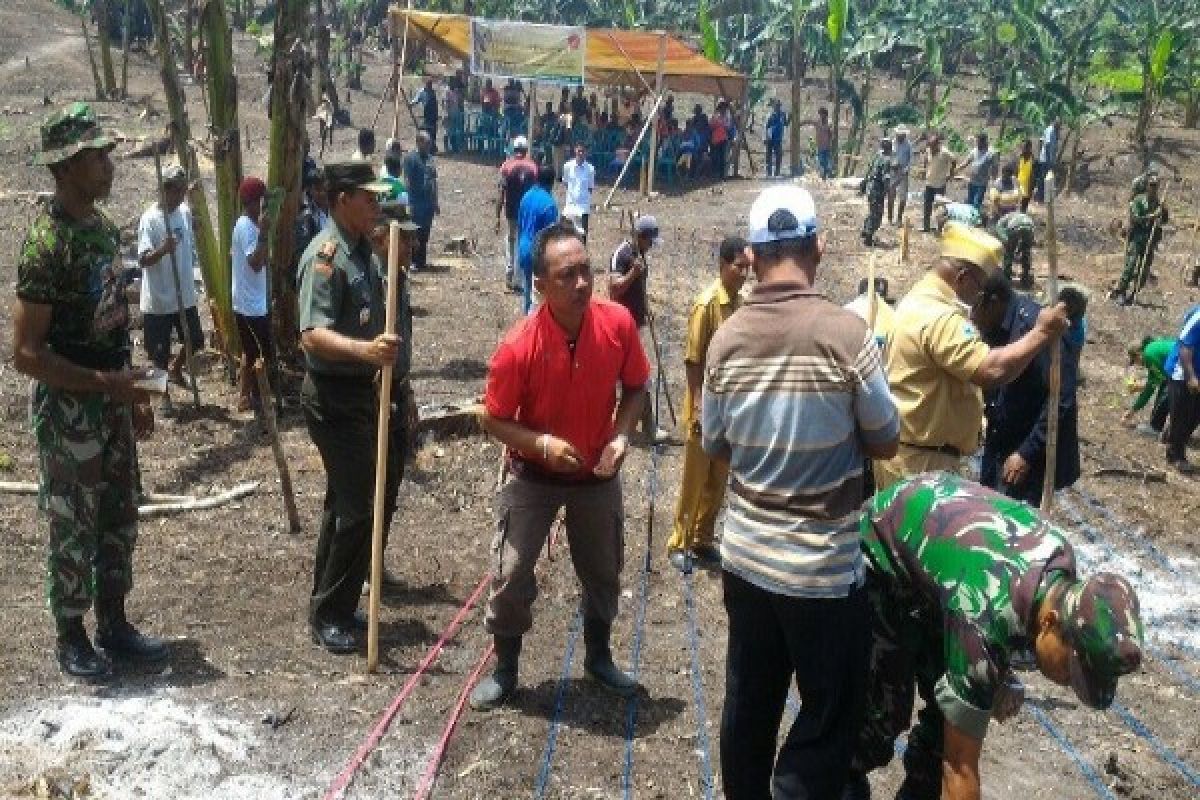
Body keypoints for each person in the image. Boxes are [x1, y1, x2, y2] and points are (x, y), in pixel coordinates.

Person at [702, 185, 900, 799]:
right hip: (821, 569)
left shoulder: (727, 340)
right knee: (829, 708)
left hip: (748, 557)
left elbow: (716, 443)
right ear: (819, 246)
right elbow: (886, 439)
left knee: (749, 697)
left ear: (753, 258)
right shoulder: (848, 334)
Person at [844, 472, 1144, 800]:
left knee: (944, 729)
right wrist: (989, 672)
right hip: (883, 555)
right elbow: (961, 769)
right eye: (1070, 671)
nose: (1065, 682)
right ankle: (834, 783)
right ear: (1051, 623)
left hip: (946, 579)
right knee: (881, 714)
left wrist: (1000, 673)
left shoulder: (1061, 572)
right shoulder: (987, 615)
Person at [13, 101, 167, 679]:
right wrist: (105, 384)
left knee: (119, 515)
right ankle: (71, 636)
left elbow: (111, 320)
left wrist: (134, 392)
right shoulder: (46, 245)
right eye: (96, 156)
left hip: (111, 402)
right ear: (64, 168)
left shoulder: (102, 230)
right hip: (71, 411)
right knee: (72, 522)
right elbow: (26, 353)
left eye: (107, 153)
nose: (109, 164)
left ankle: (115, 622)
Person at [469, 220, 650, 710]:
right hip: (533, 474)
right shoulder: (517, 347)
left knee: (604, 568)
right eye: (567, 276)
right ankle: (506, 668)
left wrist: (620, 436)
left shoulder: (616, 325)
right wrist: (542, 444)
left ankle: (598, 655)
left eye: (586, 271)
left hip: (596, 472)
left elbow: (636, 387)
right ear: (540, 285)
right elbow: (494, 419)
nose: (582, 284)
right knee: (510, 571)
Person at [296, 161, 413, 654]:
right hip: (333, 399)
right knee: (357, 509)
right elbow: (311, 334)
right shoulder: (326, 257)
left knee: (343, 505)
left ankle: (329, 599)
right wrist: (367, 352)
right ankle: (332, 615)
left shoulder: (365, 252)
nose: (375, 205)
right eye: (367, 198)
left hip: (365, 395)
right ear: (341, 199)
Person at [874, 223, 1069, 491]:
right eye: (978, 286)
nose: (977, 296)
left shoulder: (917, 299)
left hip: (911, 453)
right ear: (962, 277)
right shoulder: (940, 318)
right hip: (922, 465)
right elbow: (991, 371)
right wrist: (1041, 333)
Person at [667, 236, 749, 574]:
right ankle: (680, 540)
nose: (744, 273)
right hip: (705, 406)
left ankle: (703, 537)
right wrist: (698, 404)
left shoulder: (740, 305)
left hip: (729, 407)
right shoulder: (706, 305)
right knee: (695, 477)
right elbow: (693, 360)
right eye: (738, 266)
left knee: (719, 476)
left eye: (747, 267)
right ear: (723, 264)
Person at [974, 272, 1082, 506]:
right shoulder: (997, 328)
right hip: (1000, 439)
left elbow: (1061, 398)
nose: (973, 319)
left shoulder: (1039, 329)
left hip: (1027, 453)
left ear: (992, 302)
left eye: (975, 310)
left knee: (1011, 525)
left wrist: (1026, 452)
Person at [137, 163, 202, 398]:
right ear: (165, 190)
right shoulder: (150, 220)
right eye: (177, 191)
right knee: (158, 352)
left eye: (183, 191)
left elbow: (189, 230)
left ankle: (176, 370)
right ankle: (162, 396)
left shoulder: (183, 211)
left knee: (195, 339)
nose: (181, 196)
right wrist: (163, 250)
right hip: (160, 299)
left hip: (183, 294)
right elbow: (143, 259)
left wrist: (195, 225)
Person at [610, 215, 668, 443]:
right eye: (650, 241)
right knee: (636, 376)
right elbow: (614, 289)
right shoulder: (623, 255)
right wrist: (633, 273)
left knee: (638, 376)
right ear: (640, 236)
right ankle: (641, 428)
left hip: (635, 323)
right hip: (620, 327)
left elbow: (639, 289)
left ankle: (647, 427)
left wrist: (646, 309)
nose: (652, 246)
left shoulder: (639, 254)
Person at [232, 176, 272, 413]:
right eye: (262, 200)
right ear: (255, 201)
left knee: (251, 350)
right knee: (260, 352)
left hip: (253, 299)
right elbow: (255, 263)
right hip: (250, 304)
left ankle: (245, 397)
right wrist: (264, 233)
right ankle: (256, 398)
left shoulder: (251, 225)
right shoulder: (247, 227)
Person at [1112, 171, 1168, 305]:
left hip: (1150, 239)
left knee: (1144, 270)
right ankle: (1121, 292)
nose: (1153, 188)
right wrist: (1152, 216)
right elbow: (1136, 218)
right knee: (1130, 266)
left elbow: (1164, 220)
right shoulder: (1138, 200)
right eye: (1151, 185)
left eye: (1156, 186)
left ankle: (1134, 294)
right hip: (1137, 237)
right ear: (1147, 186)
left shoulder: (1159, 204)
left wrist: (1163, 212)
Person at [496, 136, 538, 292]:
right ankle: (519, 278)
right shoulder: (533, 167)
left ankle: (509, 272)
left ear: (514, 149)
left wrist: (497, 216)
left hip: (511, 210)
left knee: (511, 240)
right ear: (526, 150)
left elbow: (501, 192)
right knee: (523, 240)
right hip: (527, 211)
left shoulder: (506, 166)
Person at [516, 165, 560, 314]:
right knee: (540, 295)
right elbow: (550, 236)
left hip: (523, 246)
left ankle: (525, 321)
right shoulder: (549, 205)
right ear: (552, 182)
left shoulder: (526, 196)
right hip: (538, 252)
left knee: (527, 288)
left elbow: (520, 224)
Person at [1163, 305, 1200, 473]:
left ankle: (1174, 437)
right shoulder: (1198, 317)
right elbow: (1185, 348)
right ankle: (1176, 454)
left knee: (1194, 417)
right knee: (1182, 415)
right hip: (1182, 372)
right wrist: (1191, 377)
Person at [1121, 335, 1175, 434]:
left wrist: (1132, 410)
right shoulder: (1153, 347)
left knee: (1165, 392)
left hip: (1182, 367)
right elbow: (1156, 380)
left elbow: (1151, 388)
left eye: (1134, 361)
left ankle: (1155, 428)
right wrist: (1140, 387)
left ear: (1138, 354)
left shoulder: (1148, 355)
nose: (1138, 364)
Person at [402, 130, 439, 272]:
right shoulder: (410, 159)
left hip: (428, 203)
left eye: (430, 143)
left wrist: (436, 201)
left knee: (425, 232)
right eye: (427, 143)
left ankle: (421, 261)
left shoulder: (430, 159)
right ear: (419, 142)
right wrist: (409, 202)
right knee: (414, 233)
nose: (429, 145)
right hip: (416, 202)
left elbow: (434, 180)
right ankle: (412, 261)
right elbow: (407, 180)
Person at [296, 165, 332, 274]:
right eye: (317, 189)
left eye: (325, 189)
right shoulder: (306, 217)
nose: (322, 193)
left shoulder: (334, 211)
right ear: (310, 190)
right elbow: (304, 251)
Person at [860, 137, 892, 246]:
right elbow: (885, 178)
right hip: (877, 190)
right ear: (889, 147)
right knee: (877, 214)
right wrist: (887, 191)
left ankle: (865, 231)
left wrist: (864, 184)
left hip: (870, 187)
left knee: (872, 211)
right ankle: (868, 237)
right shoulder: (886, 160)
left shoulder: (877, 155)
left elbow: (869, 170)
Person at [922, 133, 957, 232]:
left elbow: (954, 160)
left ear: (938, 145)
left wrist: (951, 174)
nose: (931, 149)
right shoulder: (928, 150)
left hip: (939, 185)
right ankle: (926, 227)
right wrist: (925, 168)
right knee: (927, 206)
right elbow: (926, 159)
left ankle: (939, 229)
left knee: (939, 208)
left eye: (933, 147)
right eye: (930, 147)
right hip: (929, 183)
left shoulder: (945, 152)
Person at [561, 142, 595, 241]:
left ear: (586, 153)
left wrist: (583, 199)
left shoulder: (590, 169)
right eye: (579, 151)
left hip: (583, 208)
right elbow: (566, 183)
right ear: (575, 151)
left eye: (582, 151)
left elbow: (590, 188)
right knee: (567, 236)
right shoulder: (567, 166)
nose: (580, 153)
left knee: (582, 237)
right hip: (570, 206)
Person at [993, 210, 1036, 287]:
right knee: (1026, 252)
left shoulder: (1001, 221)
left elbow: (999, 231)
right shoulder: (1016, 215)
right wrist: (1019, 249)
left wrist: (1007, 242)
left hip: (1015, 227)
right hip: (1030, 226)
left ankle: (1007, 276)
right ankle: (1026, 276)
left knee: (1008, 253)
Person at [888, 125, 913, 225]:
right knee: (891, 196)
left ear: (905, 135)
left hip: (903, 173)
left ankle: (899, 219)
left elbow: (911, 160)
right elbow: (887, 155)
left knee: (902, 197)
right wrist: (891, 164)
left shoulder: (908, 145)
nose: (900, 136)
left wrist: (905, 169)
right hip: (892, 172)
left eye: (902, 135)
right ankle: (890, 219)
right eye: (899, 134)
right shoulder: (892, 143)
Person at [964, 132, 995, 210]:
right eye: (977, 142)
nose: (977, 144)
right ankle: (969, 219)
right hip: (972, 181)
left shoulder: (991, 153)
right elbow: (966, 162)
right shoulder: (974, 150)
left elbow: (994, 168)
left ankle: (975, 220)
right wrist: (955, 170)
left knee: (976, 203)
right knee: (970, 202)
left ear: (984, 142)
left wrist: (993, 182)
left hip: (981, 183)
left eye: (979, 142)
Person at [1035, 117, 1060, 202]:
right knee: (1043, 179)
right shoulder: (1050, 130)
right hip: (1046, 160)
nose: (1059, 126)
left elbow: (1041, 141)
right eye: (1058, 124)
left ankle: (1044, 198)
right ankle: (1040, 198)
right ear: (1054, 122)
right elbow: (1047, 145)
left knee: (1045, 178)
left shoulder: (1053, 131)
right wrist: (1049, 161)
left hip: (1046, 159)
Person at [410, 77, 439, 152]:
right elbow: (416, 99)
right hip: (427, 115)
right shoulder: (422, 92)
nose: (430, 86)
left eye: (430, 84)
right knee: (426, 131)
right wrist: (411, 103)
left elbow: (435, 104)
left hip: (433, 115)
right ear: (426, 84)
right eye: (428, 84)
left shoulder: (433, 92)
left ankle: (432, 146)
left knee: (433, 132)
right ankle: (426, 147)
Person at [764, 99, 788, 178]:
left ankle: (777, 172)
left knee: (778, 155)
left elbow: (785, 123)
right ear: (773, 106)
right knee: (769, 155)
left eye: (778, 105)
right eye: (775, 105)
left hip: (778, 138)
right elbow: (767, 127)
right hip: (770, 138)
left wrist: (790, 118)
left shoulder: (782, 114)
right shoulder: (770, 115)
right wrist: (765, 137)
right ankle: (769, 173)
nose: (777, 107)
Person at [814, 107, 833, 179]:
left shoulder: (829, 123)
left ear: (825, 114)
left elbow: (830, 134)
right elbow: (817, 132)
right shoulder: (818, 122)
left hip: (826, 145)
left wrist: (830, 143)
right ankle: (824, 174)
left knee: (826, 160)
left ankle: (826, 174)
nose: (821, 115)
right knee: (821, 160)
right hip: (820, 145)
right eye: (820, 114)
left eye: (822, 114)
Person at [1017, 137, 1035, 211]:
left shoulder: (1033, 160)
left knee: (1023, 208)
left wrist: (1031, 189)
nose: (1023, 149)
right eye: (1022, 147)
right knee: (1016, 207)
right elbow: (1016, 171)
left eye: (1025, 147)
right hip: (1018, 185)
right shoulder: (1019, 157)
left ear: (1029, 148)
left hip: (1028, 187)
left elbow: (1033, 176)